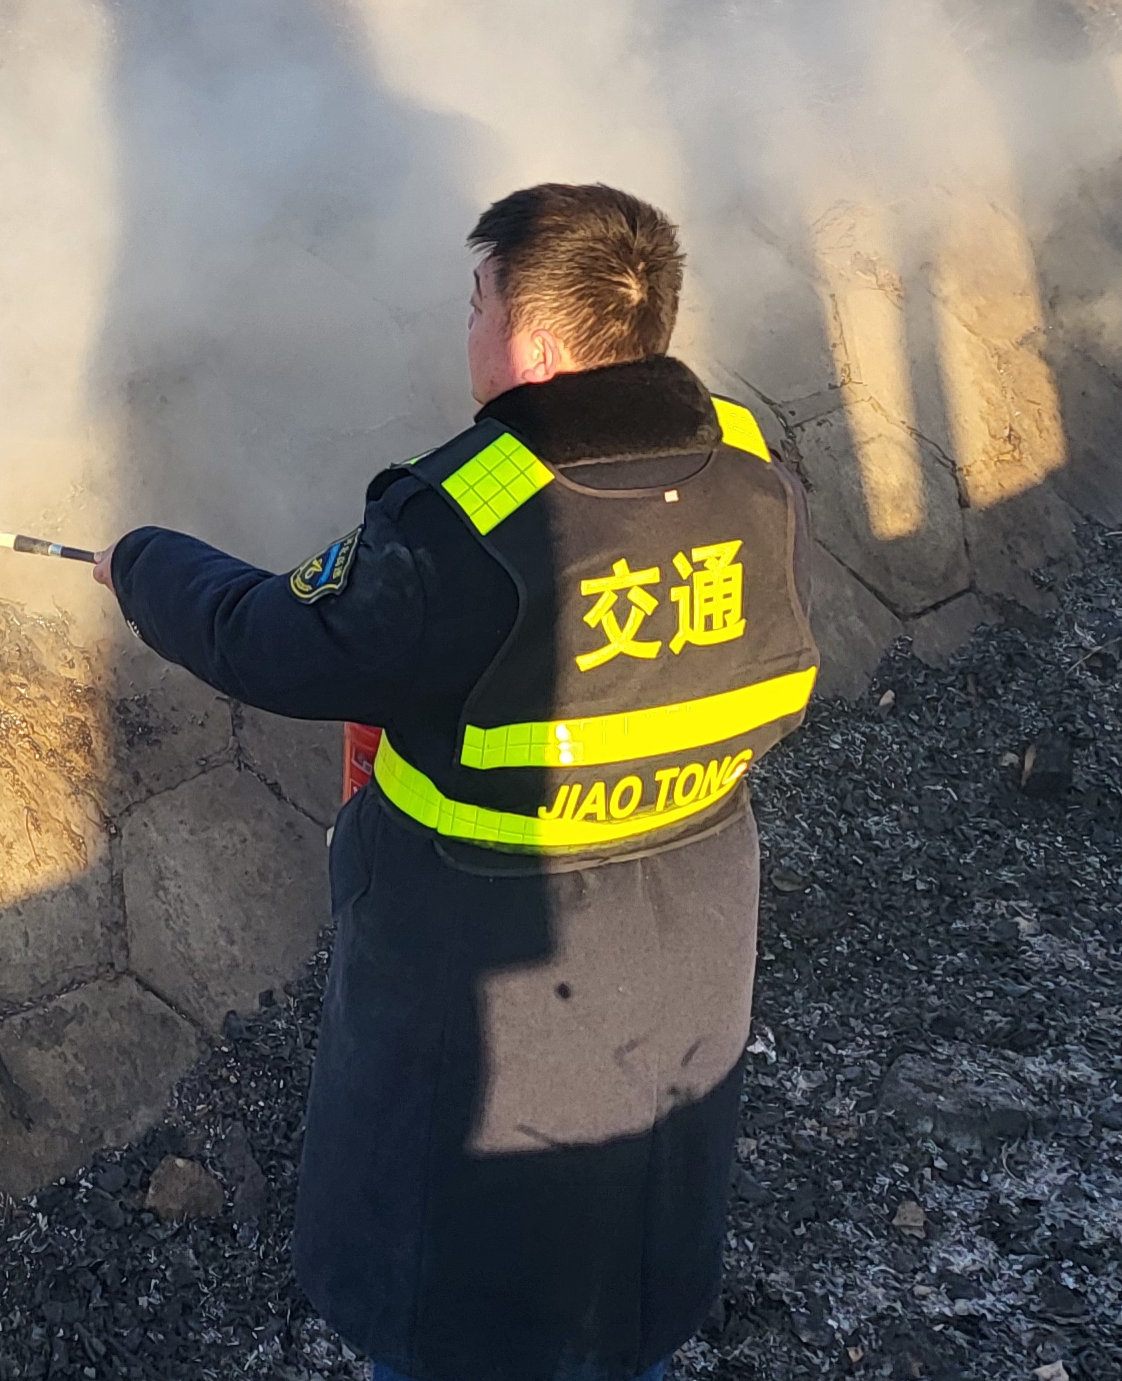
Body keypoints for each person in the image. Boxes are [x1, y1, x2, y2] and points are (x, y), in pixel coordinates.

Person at [96, 183, 819, 1381]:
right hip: (689, 931)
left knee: (463, 1288)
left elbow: (271, 640)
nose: (466, 322)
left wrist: (142, 561)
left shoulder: (464, 518)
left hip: (486, 966)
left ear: (531, 344)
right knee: (626, 1245)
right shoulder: (750, 468)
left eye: (476, 300)